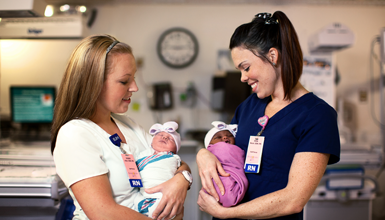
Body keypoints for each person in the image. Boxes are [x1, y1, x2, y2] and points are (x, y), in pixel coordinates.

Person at [196, 11, 340, 220]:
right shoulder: (248, 106)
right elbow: (224, 149)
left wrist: (227, 213)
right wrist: (203, 154)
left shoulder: (317, 115)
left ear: (273, 56)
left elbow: (294, 199)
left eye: (246, 68)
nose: (243, 78)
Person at [51, 34, 192, 220]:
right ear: (94, 83)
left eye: (133, 79)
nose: (134, 87)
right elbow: (104, 213)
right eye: (125, 81)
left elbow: (174, 160)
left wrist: (182, 180)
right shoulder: (75, 134)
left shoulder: (128, 125)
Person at [133, 121, 191, 218]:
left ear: (175, 149)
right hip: (144, 192)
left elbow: (183, 166)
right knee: (136, 201)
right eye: (160, 135)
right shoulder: (144, 154)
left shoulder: (173, 157)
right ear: (151, 141)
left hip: (164, 192)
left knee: (165, 205)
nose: (164, 137)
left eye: (171, 139)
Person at [203, 121, 248, 208]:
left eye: (229, 135)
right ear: (210, 144)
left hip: (234, 174)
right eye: (218, 137)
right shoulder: (212, 150)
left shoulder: (237, 149)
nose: (224, 137)